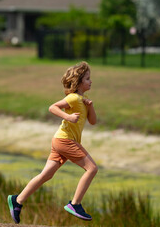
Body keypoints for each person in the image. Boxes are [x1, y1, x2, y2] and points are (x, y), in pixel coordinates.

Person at [7, 61, 98, 223]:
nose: (91, 81)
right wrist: (68, 117)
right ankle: (75, 204)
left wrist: (90, 106)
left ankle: (18, 200)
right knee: (92, 169)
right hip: (65, 141)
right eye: (87, 79)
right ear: (78, 82)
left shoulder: (83, 100)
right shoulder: (73, 98)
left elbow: (93, 121)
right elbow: (53, 107)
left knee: (46, 175)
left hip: (59, 141)